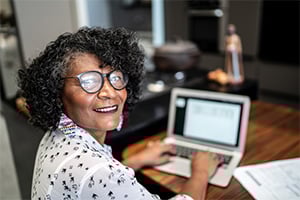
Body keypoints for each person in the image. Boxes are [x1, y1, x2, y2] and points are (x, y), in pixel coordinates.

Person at [18, 27, 222, 200]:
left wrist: (135, 162)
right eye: (89, 81)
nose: (109, 92)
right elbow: (97, 176)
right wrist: (201, 171)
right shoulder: (98, 173)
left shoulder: (57, 136)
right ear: (57, 91)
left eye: (116, 78)